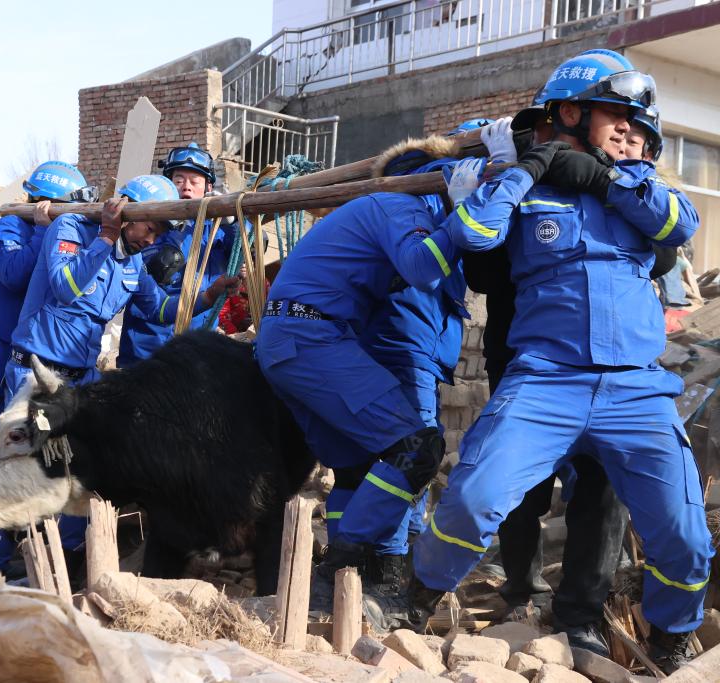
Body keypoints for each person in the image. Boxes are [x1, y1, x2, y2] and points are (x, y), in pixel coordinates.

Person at [367, 49, 710, 674]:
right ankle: (416, 596)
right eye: (619, 117)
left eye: (641, 126)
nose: (632, 132)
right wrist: (517, 170)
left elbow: (679, 223)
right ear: (572, 113)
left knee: (683, 538)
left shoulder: (643, 192)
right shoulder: (526, 186)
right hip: (545, 379)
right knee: (473, 501)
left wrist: (602, 178)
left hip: (637, 391)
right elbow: (474, 231)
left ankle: (671, 633)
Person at [474, 100, 681, 656]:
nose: (549, 143)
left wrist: (607, 185)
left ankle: (581, 613)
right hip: (528, 358)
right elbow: (482, 265)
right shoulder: (525, 189)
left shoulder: (616, 184)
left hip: (612, 367)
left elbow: (663, 253)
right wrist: (505, 184)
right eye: (538, 136)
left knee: (601, 486)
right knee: (523, 487)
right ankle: (522, 588)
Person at [254, 148, 488, 608]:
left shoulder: (371, 212)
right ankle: (346, 564)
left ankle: (336, 590)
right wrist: (466, 211)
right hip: (312, 336)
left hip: (290, 340)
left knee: (357, 467)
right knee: (417, 448)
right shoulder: (399, 205)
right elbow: (423, 268)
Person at [3, 175, 237, 565]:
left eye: (161, 231)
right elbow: (65, 287)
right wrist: (106, 238)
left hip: (79, 382)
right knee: (30, 468)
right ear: (125, 211)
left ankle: (69, 559)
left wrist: (209, 296)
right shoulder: (73, 229)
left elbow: (161, 309)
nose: (152, 239)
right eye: (150, 227)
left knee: (80, 470)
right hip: (36, 376)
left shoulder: (131, 264)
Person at [0, 161, 95, 598]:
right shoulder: (7, 231)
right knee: (2, 467)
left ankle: (44, 560)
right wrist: (45, 227)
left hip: (34, 368)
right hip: (3, 364)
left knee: (47, 464)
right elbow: (15, 273)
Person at [117, 143, 245, 367]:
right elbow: (149, 265)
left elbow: (245, 249)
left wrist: (231, 221)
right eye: (178, 180)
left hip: (198, 345)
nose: (186, 188)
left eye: (194, 182)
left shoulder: (216, 228)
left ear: (208, 187)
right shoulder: (152, 224)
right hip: (147, 346)